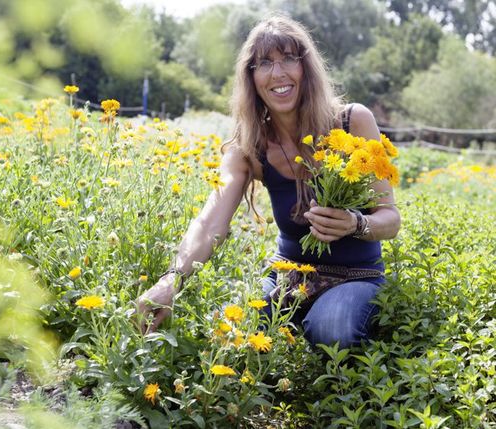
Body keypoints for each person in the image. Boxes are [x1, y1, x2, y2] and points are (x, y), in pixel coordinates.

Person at [136, 14, 401, 348]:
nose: (278, 73)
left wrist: (355, 223)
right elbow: (209, 221)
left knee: (330, 329)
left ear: (307, 68)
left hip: (356, 276)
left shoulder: (353, 122)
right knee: (227, 331)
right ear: (251, 78)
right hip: (288, 277)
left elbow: (390, 220)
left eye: (289, 58)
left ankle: (320, 319)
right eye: (264, 63)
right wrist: (170, 280)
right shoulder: (248, 147)